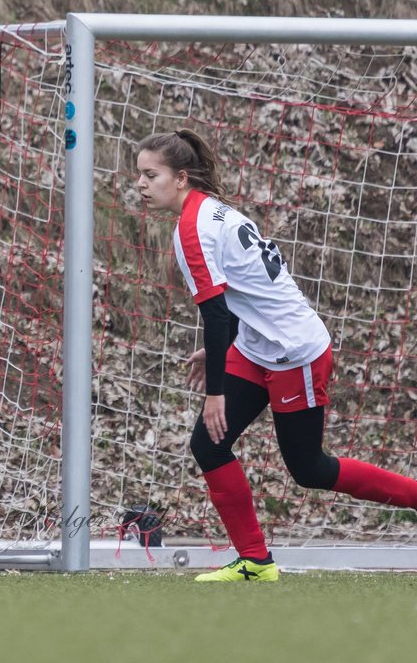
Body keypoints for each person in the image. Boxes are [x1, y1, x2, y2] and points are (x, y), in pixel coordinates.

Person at [136, 128, 417, 582]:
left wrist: (215, 393)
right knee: (208, 445)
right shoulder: (211, 212)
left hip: (295, 353)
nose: (141, 185)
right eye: (140, 176)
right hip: (255, 345)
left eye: (151, 175)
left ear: (182, 177)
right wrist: (218, 353)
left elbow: (217, 314)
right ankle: (255, 561)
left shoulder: (193, 228)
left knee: (308, 468)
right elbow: (237, 303)